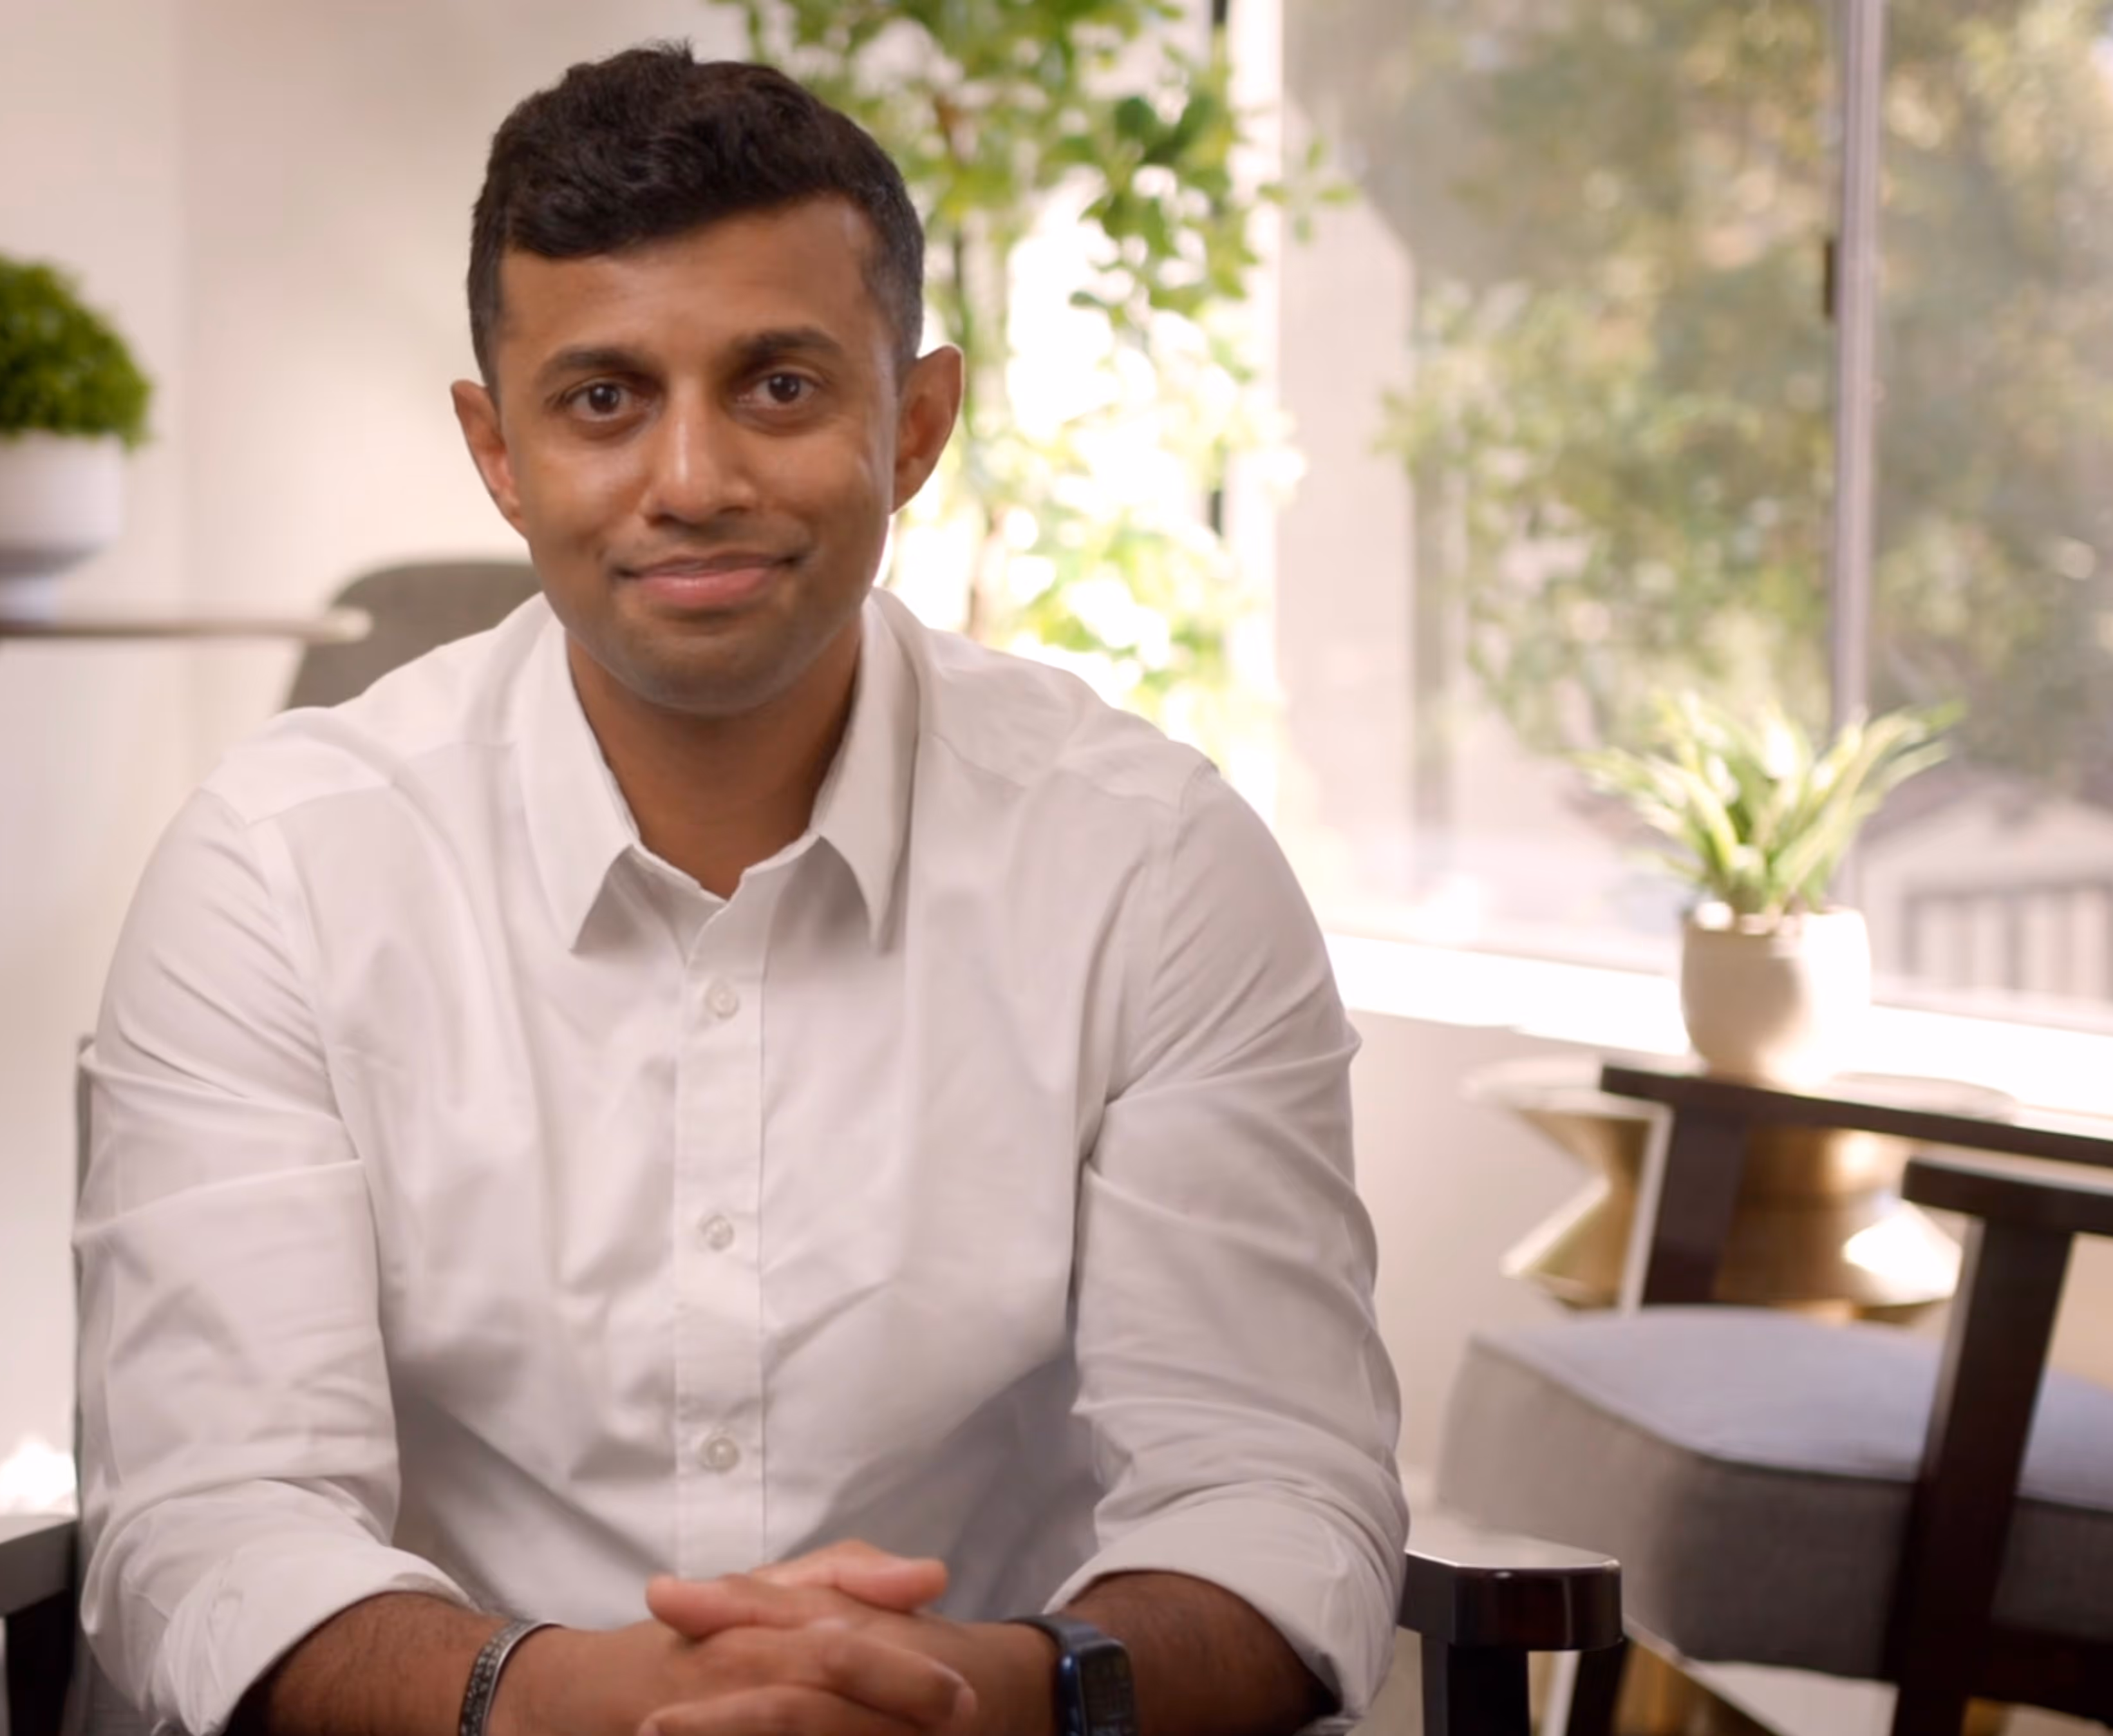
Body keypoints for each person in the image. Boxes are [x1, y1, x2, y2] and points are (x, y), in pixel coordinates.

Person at [76, 42, 1405, 1736]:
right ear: (496, 451)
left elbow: (1270, 1495)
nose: (690, 478)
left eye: (778, 386)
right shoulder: (275, 868)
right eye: (602, 399)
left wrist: (971, 1693)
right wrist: (571, 1700)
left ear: (913, 424)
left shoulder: (1153, 864)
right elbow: (216, 1521)